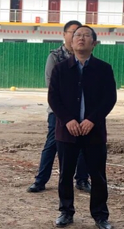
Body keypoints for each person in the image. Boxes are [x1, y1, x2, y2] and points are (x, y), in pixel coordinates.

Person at [48, 25, 117, 229]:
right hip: (67, 131)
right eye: (77, 35)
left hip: (93, 132)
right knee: (65, 174)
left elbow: (109, 98)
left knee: (98, 175)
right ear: (71, 41)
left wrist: (92, 120)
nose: (81, 38)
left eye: (86, 35)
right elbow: (53, 98)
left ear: (94, 43)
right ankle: (66, 212)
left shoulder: (103, 69)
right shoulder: (60, 69)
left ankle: (100, 215)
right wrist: (68, 120)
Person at [28, 20, 91, 194]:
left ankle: (82, 179)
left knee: (84, 145)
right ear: (64, 35)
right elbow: (52, 88)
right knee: (52, 144)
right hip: (59, 112)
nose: (77, 37)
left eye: (80, 33)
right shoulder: (55, 57)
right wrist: (67, 114)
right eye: (73, 33)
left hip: (82, 111)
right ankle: (41, 180)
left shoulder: (86, 58)